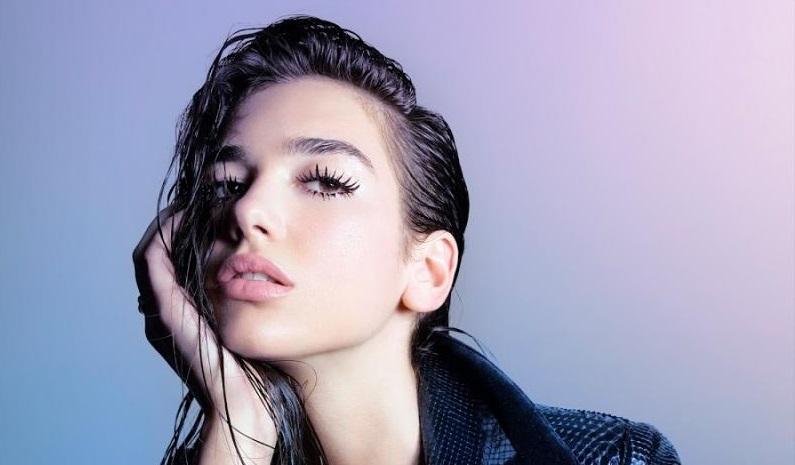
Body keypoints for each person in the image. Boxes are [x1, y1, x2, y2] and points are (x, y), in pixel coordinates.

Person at [132, 15, 682, 465]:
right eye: (226, 185)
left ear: (428, 270)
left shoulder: (614, 459)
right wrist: (238, 430)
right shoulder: (223, 452)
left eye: (325, 181)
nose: (246, 209)